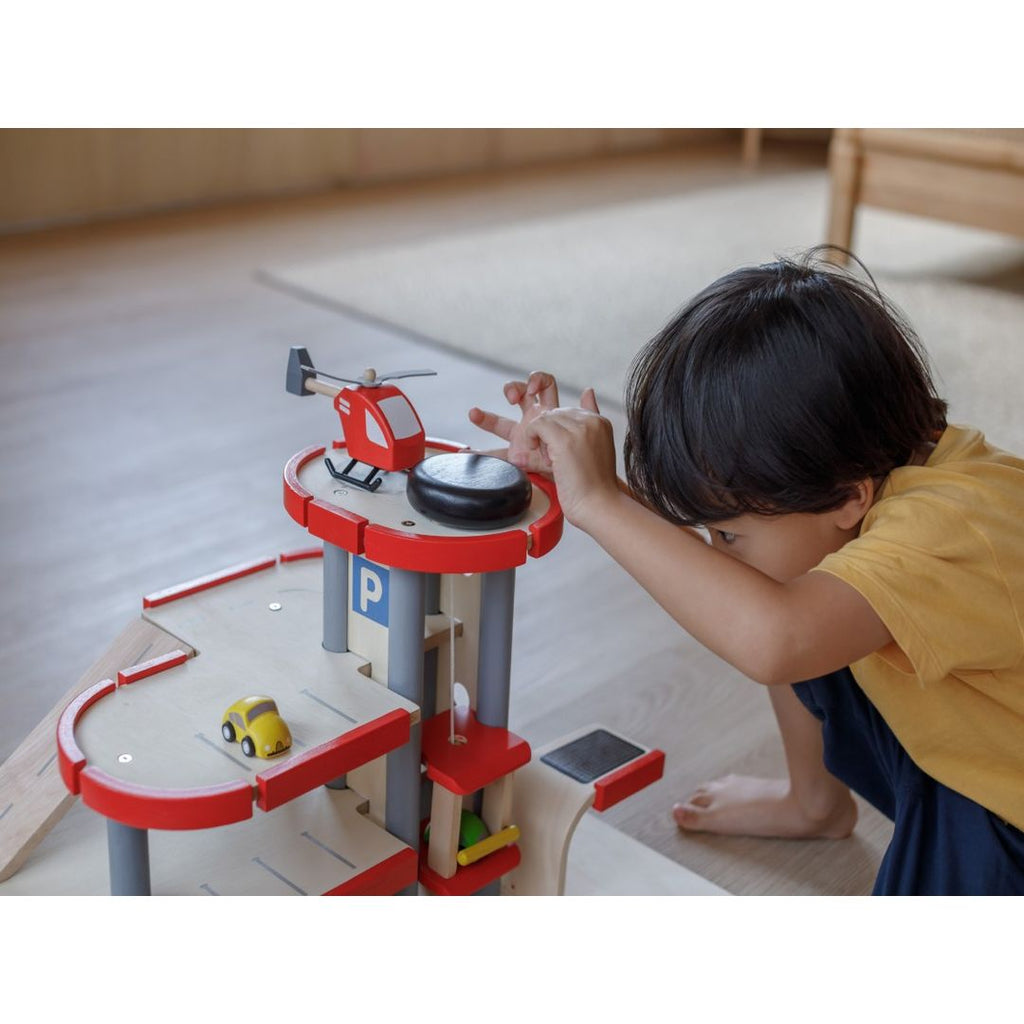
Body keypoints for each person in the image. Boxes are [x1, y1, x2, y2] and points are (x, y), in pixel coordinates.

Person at [467, 249, 1024, 895]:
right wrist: (599, 490)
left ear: (850, 497)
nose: (715, 549)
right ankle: (813, 802)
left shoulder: (953, 530)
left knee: (780, 612)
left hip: (1003, 813)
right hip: (972, 744)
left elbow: (775, 638)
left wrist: (597, 504)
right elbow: (749, 592)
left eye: (727, 532)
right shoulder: (868, 466)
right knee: (773, 592)